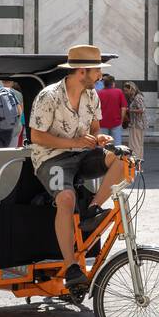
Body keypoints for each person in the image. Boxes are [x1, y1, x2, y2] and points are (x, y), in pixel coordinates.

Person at [29, 44, 127, 292]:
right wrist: (73, 142)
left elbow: (94, 129)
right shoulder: (48, 96)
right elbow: (37, 136)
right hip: (52, 159)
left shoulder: (92, 95)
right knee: (66, 198)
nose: (100, 76)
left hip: (81, 154)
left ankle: (92, 211)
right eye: (97, 71)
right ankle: (71, 266)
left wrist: (99, 138)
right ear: (82, 71)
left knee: (123, 159)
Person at [97, 73, 128, 147]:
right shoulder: (119, 92)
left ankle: (104, 158)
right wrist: (121, 120)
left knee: (103, 146)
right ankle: (116, 158)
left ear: (104, 84)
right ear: (113, 83)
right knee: (117, 146)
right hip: (116, 122)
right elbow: (123, 108)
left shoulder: (99, 93)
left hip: (102, 123)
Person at [121, 80, 145, 162]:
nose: (125, 92)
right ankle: (139, 159)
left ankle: (135, 160)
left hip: (137, 123)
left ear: (132, 89)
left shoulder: (137, 97)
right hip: (138, 123)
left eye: (126, 90)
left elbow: (141, 110)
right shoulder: (136, 97)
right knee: (138, 143)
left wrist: (130, 110)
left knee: (134, 143)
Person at [4, 80, 25, 148]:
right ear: (12, 83)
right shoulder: (18, 94)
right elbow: (20, 111)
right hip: (16, 126)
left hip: (1, 127)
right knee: (12, 150)